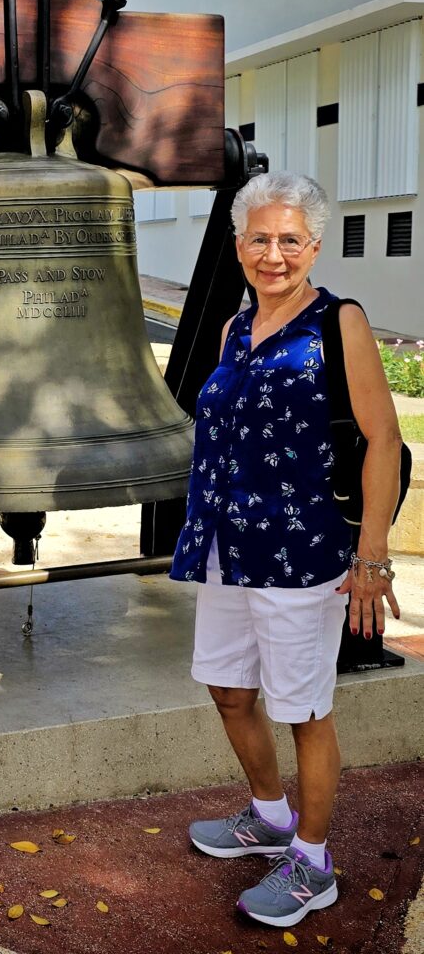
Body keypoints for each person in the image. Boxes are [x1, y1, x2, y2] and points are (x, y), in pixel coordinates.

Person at [170, 171, 403, 928]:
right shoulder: (235, 329)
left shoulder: (339, 322)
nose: (275, 254)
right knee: (231, 691)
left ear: (315, 246)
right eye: (261, 239)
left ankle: (313, 862)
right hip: (227, 545)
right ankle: (268, 816)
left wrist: (371, 554)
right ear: (239, 246)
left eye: (290, 240)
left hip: (302, 551)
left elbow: (384, 441)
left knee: (304, 708)